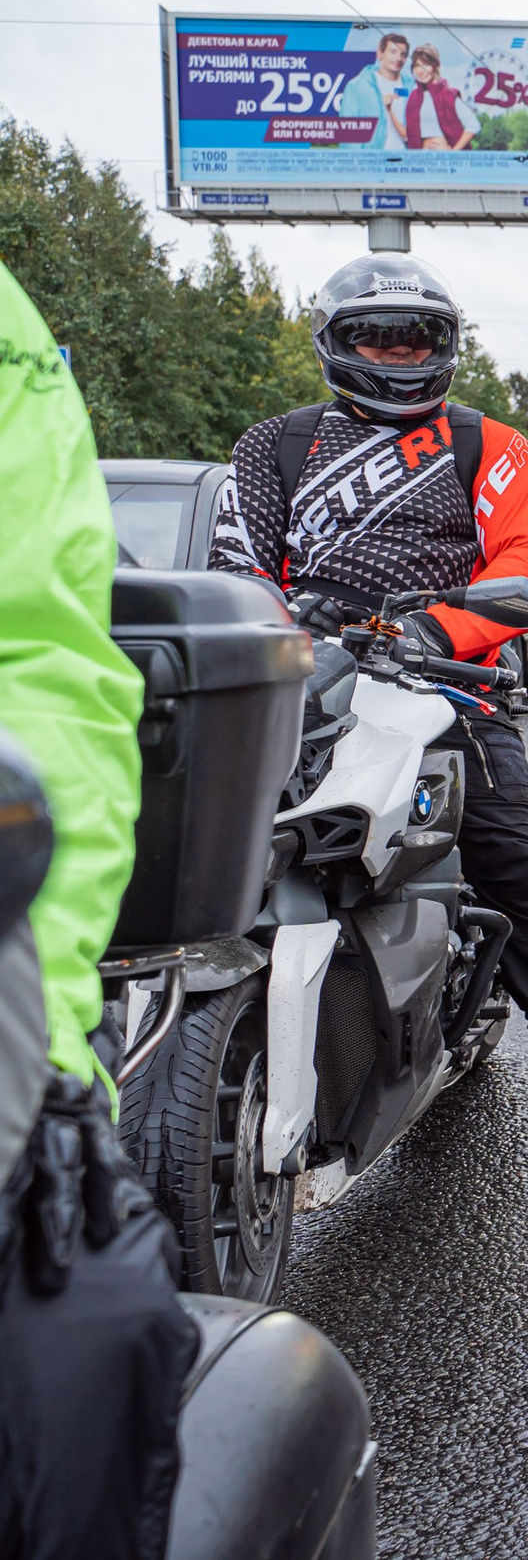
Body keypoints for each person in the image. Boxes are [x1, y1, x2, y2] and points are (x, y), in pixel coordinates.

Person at [211, 253, 528, 1157]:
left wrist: (437, 632)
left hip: (445, 686)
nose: (399, 353)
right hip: (305, 686)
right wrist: (282, 622)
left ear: (446, 347)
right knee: (214, 851)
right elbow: (235, 566)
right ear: (336, 344)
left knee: (518, 866)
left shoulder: (488, 443)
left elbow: (527, 563)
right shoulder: (274, 445)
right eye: (375, 336)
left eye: (418, 337)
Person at [0, 255, 195, 1559]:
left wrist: (42, 1055)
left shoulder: (483, 450)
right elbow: (267, 562)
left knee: (509, 839)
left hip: (446, 655)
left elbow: (42, 666)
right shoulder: (285, 446)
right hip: (339, 638)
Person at [334, 30, 412, 150]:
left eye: (403, 54)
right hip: (373, 163)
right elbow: (347, 133)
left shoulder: (411, 87)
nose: (398, 58)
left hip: (405, 163)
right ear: (380, 53)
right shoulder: (357, 86)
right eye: (393, 52)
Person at [402, 43, 476, 150]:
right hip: (421, 160)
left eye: (426, 64)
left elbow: (473, 125)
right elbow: (408, 134)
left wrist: (454, 151)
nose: (421, 71)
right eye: (417, 65)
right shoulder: (414, 96)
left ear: (435, 66)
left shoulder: (448, 94)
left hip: (445, 161)